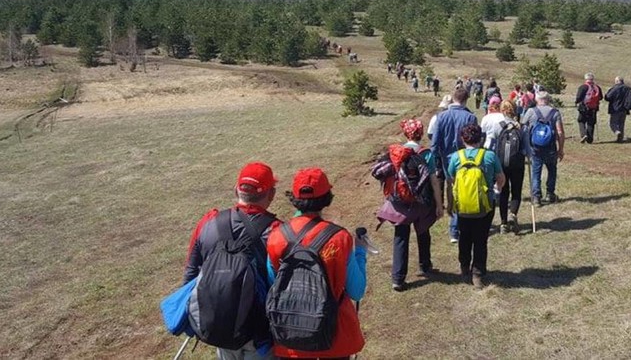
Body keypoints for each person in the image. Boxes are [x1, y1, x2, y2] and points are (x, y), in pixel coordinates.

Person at [266, 168, 367, 359]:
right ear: (327, 198)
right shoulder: (340, 237)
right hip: (335, 337)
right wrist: (360, 251)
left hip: (291, 334)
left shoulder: (276, 237)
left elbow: (274, 286)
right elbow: (357, 291)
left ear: (295, 197)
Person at [183, 162, 281, 360]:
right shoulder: (277, 231)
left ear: (236, 189)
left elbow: (190, 275)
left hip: (219, 326)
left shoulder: (208, 223)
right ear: (271, 194)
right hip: (259, 333)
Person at [373, 119, 444, 291]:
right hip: (421, 202)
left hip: (400, 203)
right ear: (421, 133)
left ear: (406, 134)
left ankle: (398, 278)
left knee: (400, 237)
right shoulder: (426, 153)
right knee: (423, 232)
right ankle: (425, 265)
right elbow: (434, 181)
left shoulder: (397, 152)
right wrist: (439, 205)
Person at [447, 123, 505, 289]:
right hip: (484, 207)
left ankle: (464, 267)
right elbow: (501, 179)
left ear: (462, 139)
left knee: (464, 236)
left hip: (463, 207)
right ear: (481, 138)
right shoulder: (489, 156)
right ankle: (478, 274)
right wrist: (496, 190)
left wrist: (450, 204)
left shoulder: (456, 157)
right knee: (481, 240)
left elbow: (451, 182)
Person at [431, 87, 478, 243]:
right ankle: (457, 225)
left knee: (452, 190)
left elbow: (435, 142)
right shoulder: (470, 117)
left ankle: (454, 228)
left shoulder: (442, 116)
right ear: (466, 99)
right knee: (464, 189)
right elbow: (475, 140)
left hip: (447, 159)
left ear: (453, 98)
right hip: (465, 158)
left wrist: (435, 161)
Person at [485, 100, 525, 234]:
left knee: (503, 191)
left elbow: (489, 143)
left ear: (502, 110)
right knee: (516, 190)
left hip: (501, 163)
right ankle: (513, 213)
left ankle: (503, 223)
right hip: (517, 164)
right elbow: (526, 149)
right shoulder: (520, 127)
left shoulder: (498, 125)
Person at [521, 91, 565, 205]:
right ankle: (550, 194)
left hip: (535, 148)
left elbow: (523, 128)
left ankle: (536, 197)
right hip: (551, 147)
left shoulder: (531, 111)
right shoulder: (555, 112)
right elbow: (560, 132)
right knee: (552, 171)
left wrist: (524, 147)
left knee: (536, 172)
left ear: (536, 99)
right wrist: (560, 149)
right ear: (548, 99)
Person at [575, 73, 603, 144]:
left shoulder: (583, 87)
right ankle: (590, 139)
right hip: (594, 108)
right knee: (591, 123)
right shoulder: (597, 87)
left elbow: (578, 97)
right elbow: (601, 97)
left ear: (586, 79)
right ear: (592, 79)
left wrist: (576, 102)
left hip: (583, 107)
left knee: (581, 121)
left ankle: (583, 135)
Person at [604, 76, 631, 142]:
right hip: (625, 109)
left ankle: (617, 132)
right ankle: (620, 138)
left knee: (612, 123)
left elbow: (607, 97)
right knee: (621, 124)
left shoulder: (614, 88)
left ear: (617, 81)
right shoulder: (628, 88)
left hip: (615, 108)